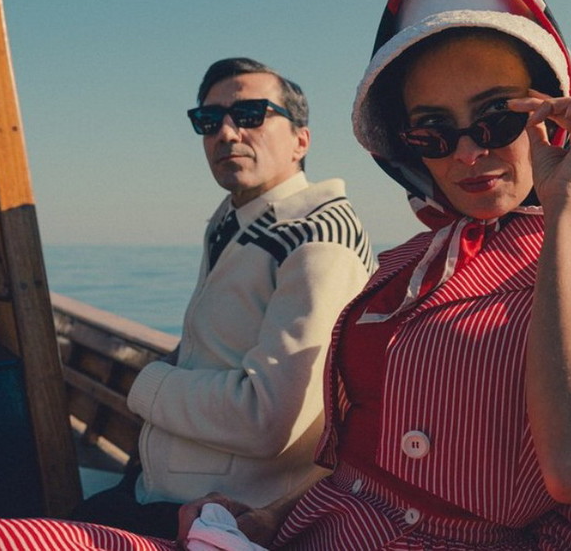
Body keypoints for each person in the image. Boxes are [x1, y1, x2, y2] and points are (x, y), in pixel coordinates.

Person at [177, 0, 571, 549]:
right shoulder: (406, 266)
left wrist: (565, 206)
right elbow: (362, 463)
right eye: (432, 130)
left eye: (495, 119)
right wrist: (270, 516)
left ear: (553, 114)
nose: (465, 153)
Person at [66, 58, 376, 538]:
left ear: (301, 140)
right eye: (209, 121)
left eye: (251, 115)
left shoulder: (317, 239)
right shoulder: (236, 220)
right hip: (163, 486)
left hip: (225, 515)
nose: (227, 133)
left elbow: (269, 419)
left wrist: (147, 384)